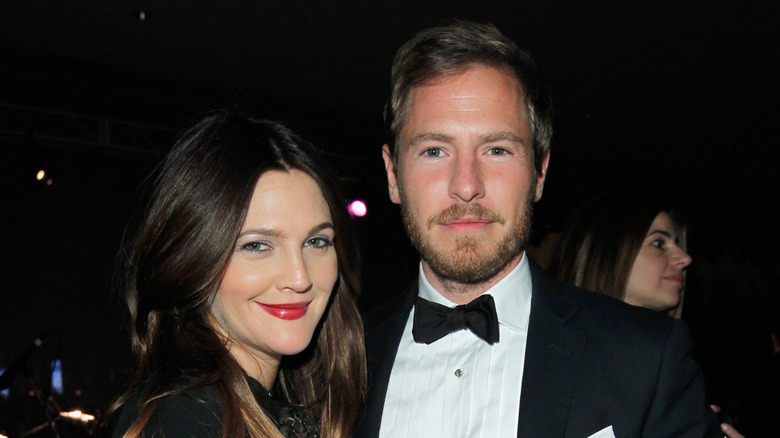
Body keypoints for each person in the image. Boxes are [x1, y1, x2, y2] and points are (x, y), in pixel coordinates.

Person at [355, 21, 722, 437]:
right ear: (392, 174)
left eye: (497, 149)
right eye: (434, 150)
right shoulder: (338, 361)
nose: (466, 185)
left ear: (539, 172)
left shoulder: (645, 359)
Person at [109, 111, 366, 438]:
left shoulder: (253, 410)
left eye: (316, 241)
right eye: (257, 246)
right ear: (193, 259)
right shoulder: (187, 419)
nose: (300, 278)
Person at [550, 190, 745, 438]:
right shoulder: (545, 356)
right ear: (606, 252)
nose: (684, 258)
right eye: (658, 244)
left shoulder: (677, 372)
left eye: (678, 244)